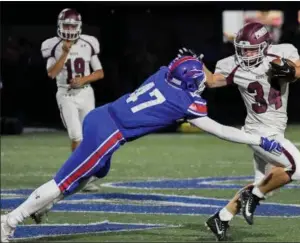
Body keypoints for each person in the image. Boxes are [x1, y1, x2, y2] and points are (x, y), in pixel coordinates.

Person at [1, 55, 283, 242]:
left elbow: (179, 66)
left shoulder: (163, 74)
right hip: (109, 134)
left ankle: (44, 206)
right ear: (189, 84)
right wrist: (259, 140)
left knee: (95, 173)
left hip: (100, 115)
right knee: (65, 180)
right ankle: (10, 222)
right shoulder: (184, 102)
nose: (202, 85)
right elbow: (222, 131)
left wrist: (191, 60)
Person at [180, 21, 300, 241]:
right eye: (242, 50)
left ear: (265, 46)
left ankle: (222, 218)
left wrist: (290, 70)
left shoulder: (281, 53)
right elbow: (213, 81)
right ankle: (252, 195)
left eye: (252, 49)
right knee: (297, 168)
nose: (246, 55)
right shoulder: (234, 64)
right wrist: (197, 62)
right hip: (260, 133)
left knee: (266, 182)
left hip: (272, 130)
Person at [41, 8, 104, 194]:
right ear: (60, 25)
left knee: (90, 135)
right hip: (66, 94)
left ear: (79, 26)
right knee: (76, 136)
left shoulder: (88, 43)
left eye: (72, 25)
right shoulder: (52, 45)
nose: (69, 28)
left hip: (85, 93)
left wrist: (83, 80)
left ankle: (87, 176)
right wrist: (64, 53)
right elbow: (52, 73)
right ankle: (77, 175)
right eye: (66, 25)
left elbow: (99, 73)